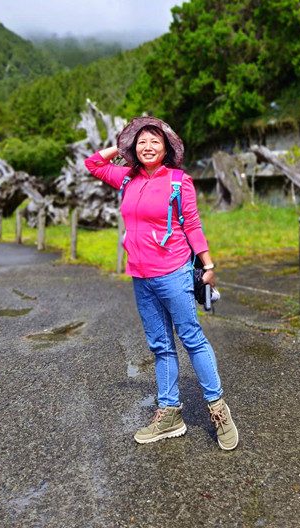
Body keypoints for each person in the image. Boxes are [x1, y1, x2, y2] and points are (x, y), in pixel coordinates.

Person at [85, 116, 238, 451]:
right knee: (160, 346)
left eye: (155, 141)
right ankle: (170, 415)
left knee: (191, 339)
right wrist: (123, 143)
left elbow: (194, 225)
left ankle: (218, 409)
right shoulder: (127, 178)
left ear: (167, 147)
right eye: (141, 142)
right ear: (133, 150)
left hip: (173, 272)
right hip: (141, 276)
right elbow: (93, 163)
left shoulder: (178, 182)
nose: (148, 146)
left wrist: (208, 264)